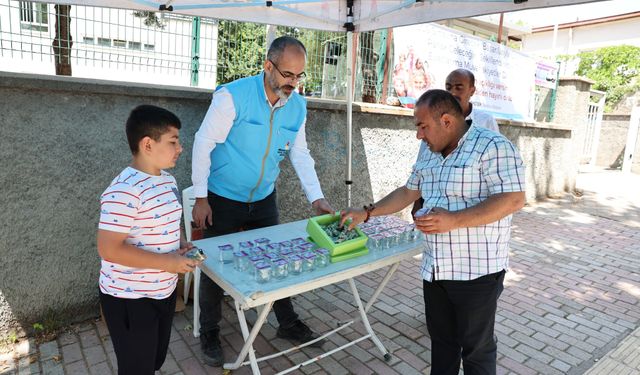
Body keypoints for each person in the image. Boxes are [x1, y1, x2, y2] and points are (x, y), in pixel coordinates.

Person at [341, 90, 525, 375]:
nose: (419, 135)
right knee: (442, 344)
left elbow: (513, 199)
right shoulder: (429, 151)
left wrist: (454, 220)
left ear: (447, 121)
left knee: (476, 349)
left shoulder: (493, 146)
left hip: (476, 273)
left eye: (422, 126)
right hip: (435, 270)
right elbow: (408, 191)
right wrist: (367, 212)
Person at [191, 36, 334, 367]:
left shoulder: (297, 105)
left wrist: (317, 199)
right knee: (213, 265)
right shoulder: (232, 97)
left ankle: (287, 322)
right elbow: (203, 143)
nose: (293, 83)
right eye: (287, 74)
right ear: (268, 66)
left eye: (299, 76)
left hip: (264, 197)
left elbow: (299, 153)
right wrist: (201, 197)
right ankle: (209, 330)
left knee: (276, 260)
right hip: (222, 196)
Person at [97, 105, 200, 375]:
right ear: (147, 144)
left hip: (162, 291)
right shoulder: (124, 190)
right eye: (173, 141)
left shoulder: (167, 180)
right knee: (137, 369)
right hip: (130, 298)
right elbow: (109, 249)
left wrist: (179, 246)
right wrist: (168, 262)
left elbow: (168, 220)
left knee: (154, 360)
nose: (180, 148)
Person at [412, 68, 499, 213]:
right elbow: (421, 165)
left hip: (471, 211)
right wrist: (417, 202)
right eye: (448, 88)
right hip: (434, 206)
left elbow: (496, 170)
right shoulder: (433, 121)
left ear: (472, 91)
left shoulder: (486, 123)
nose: (453, 93)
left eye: (459, 88)